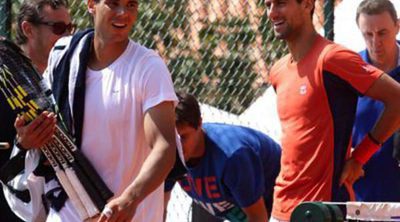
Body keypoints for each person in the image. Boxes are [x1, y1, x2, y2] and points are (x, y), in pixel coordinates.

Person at [14, 0, 178, 221]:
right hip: (66, 212)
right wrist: (27, 139)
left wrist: (130, 199)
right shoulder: (63, 56)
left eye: (131, 5)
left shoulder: (149, 67)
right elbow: (43, 130)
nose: (123, 13)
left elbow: (164, 147)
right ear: (92, 4)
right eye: (113, 3)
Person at [265, 0, 400, 221]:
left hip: (323, 208)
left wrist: (359, 158)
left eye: (280, 3)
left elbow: (397, 100)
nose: (272, 12)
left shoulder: (333, 58)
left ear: (307, 4)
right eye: (268, 4)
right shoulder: (277, 71)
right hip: (282, 208)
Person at [0, 0, 72, 221]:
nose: (67, 38)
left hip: (61, 205)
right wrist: (22, 146)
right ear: (28, 29)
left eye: (70, 29)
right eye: (58, 29)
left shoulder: (70, 76)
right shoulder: (5, 77)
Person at [164, 92, 281, 222]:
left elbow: (258, 218)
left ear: (200, 124)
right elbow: (159, 209)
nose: (176, 146)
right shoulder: (167, 152)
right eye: (170, 138)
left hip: (273, 194)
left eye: (183, 137)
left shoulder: (231, 156)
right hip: (227, 201)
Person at [352, 0, 400, 202]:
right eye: (367, 34)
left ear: (397, 26)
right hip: (364, 195)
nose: (375, 42)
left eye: (382, 33)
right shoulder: (349, 72)